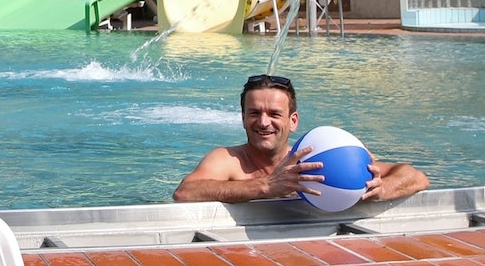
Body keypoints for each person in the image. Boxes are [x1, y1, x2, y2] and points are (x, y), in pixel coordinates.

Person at [172, 74, 427, 205]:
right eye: (254, 113)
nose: (263, 122)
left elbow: (416, 177)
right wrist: (265, 187)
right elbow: (185, 193)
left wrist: (383, 189)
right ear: (243, 118)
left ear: (293, 121)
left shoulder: (315, 161)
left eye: (274, 114)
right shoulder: (228, 160)